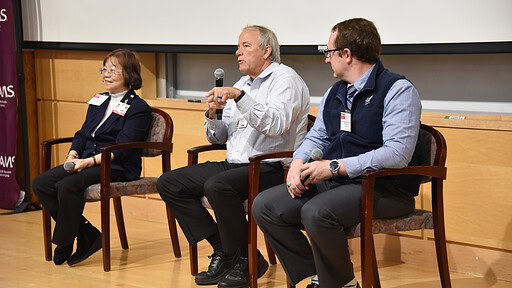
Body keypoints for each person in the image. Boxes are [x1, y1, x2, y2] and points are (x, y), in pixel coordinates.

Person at [252, 18, 422, 288]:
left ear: (347, 54)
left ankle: (338, 283)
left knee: (317, 212)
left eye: (328, 52)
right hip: (338, 183)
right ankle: (322, 275)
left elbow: (397, 154)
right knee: (265, 206)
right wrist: (297, 163)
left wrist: (333, 167)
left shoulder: (397, 90)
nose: (326, 60)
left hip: (384, 188)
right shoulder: (335, 92)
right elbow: (317, 136)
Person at [157, 25, 310, 288]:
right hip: (236, 164)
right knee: (169, 183)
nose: (238, 52)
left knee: (217, 186)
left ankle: (243, 260)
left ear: (266, 50)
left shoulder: (285, 80)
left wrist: (240, 97)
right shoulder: (242, 83)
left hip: (272, 166)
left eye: (245, 46)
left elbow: (276, 125)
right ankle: (228, 252)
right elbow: (218, 138)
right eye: (238, 47)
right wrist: (213, 114)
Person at [32, 49, 152, 267]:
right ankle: (85, 232)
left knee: (67, 185)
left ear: (129, 73)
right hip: (86, 160)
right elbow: (83, 133)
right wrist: (73, 153)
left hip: (117, 165)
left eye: (112, 70)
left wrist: (88, 162)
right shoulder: (99, 100)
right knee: (41, 183)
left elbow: (124, 148)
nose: (105, 74)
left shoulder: (138, 107)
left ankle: (65, 242)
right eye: (103, 69)